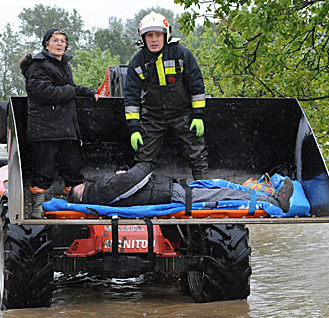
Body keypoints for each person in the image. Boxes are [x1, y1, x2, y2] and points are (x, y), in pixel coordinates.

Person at [18, 28, 100, 218]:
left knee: (73, 171)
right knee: (43, 172)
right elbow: (43, 92)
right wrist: (71, 91)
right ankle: (36, 212)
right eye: (55, 40)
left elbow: (69, 87)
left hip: (66, 129)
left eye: (63, 41)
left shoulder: (63, 65)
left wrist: (89, 92)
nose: (60, 44)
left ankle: (76, 210)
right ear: (46, 44)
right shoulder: (37, 66)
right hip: (44, 130)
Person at [123, 11, 208, 181]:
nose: (154, 40)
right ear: (143, 38)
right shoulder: (137, 62)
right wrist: (134, 128)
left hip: (183, 113)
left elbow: (196, 85)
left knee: (197, 154)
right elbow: (131, 97)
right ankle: (141, 193)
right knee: (143, 158)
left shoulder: (182, 54)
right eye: (149, 35)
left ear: (166, 35)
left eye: (157, 35)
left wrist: (198, 115)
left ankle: (204, 190)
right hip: (152, 116)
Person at [67, 162, 294, 213]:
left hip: (168, 192)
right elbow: (136, 178)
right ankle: (274, 201)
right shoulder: (101, 188)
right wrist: (146, 162)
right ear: (80, 192)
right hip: (171, 195)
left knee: (222, 190)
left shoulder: (100, 194)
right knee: (224, 194)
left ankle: (267, 194)